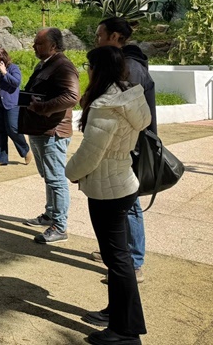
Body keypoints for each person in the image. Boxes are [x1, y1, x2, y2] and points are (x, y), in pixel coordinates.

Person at [67, 46, 150, 345]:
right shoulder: (129, 96)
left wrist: (70, 171)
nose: (86, 70)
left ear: (97, 69)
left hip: (108, 189)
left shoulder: (105, 105)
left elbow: (91, 153)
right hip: (122, 181)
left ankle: (126, 331)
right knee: (118, 258)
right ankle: (117, 315)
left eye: (88, 65)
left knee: (117, 259)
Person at [90, 17, 157, 284]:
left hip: (133, 147)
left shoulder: (130, 67)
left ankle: (134, 261)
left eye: (100, 35)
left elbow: (131, 113)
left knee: (130, 203)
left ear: (116, 37)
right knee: (122, 203)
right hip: (123, 145)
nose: (97, 40)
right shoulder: (124, 64)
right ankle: (119, 249)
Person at [19, 28, 80, 244]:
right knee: (48, 176)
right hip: (39, 130)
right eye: (35, 42)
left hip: (53, 131)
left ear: (53, 45)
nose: (34, 46)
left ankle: (60, 226)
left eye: (39, 43)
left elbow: (72, 96)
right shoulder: (45, 64)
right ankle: (50, 214)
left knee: (56, 179)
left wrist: (43, 108)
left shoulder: (63, 66)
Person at [0, 47, 32, 166]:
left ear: (2, 57)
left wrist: (5, 72)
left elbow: (16, 82)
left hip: (11, 103)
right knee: (0, 130)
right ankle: (2, 158)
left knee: (12, 128)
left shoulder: (13, 68)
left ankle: (25, 150)